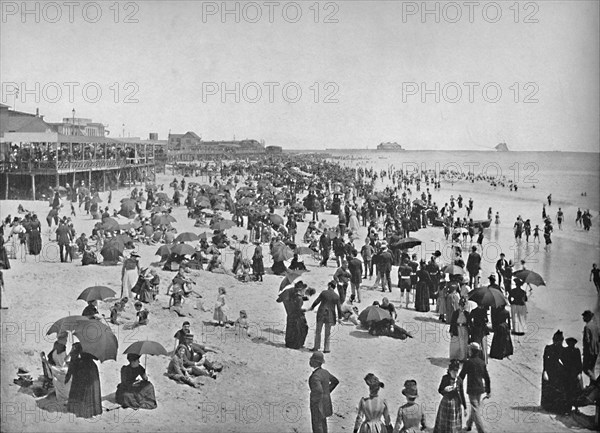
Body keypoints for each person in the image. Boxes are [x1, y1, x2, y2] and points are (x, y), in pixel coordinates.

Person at [459, 343, 491, 433]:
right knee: (474, 408)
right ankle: (469, 425)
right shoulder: (482, 362)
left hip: (472, 389)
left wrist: (455, 382)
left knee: (475, 409)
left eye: (469, 350)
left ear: (472, 351)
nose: (468, 351)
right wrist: (488, 390)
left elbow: (461, 376)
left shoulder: (468, 362)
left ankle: (481, 431)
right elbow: (487, 378)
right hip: (480, 389)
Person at [65, 342, 102, 418]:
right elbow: (97, 357)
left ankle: (80, 408)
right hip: (90, 368)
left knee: (83, 389)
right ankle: (91, 409)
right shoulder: (91, 346)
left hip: (82, 368)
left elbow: (72, 361)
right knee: (89, 390)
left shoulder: (77, 345)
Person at [308, 351, 339, 433]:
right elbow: (335, 381)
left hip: (317, 404)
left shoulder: (315, 376)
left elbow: (318, 390)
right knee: (323, 424)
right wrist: (327, 392)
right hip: (325, 402)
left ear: (315, 362)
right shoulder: (325, 372)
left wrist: (314, 400)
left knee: (317, 426)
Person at [433, 360, 467, 433]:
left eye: (457, 371)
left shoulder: (459, 380)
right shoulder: (445, 378)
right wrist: (445, 390)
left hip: (455, 404)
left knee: (454, 421)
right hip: (446, 402)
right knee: (444, 420)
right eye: (454, 371)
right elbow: (440, 390)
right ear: (450, 371)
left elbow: (461, 393)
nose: (455, 373)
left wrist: (465, 407)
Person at [310, 281, 343, 353]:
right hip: (330, 315)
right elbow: (339, 308)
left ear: (330, 286)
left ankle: (316, 347)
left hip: (321, 313)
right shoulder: (336, 296)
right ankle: (326, 348)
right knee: (327, 333)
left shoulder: (324, 293)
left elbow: (317, 301)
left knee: (318, 331)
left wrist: (312, 307)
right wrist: (340, 318)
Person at [541, 330, 569, 413]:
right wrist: (545, 371)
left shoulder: (564, 350)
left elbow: (566, 363)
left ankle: (559, 407)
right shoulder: (548, 348)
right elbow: (545, 361)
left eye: (560, 341)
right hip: (550, 371)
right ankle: (549, 406)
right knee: (549, 389)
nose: (558, 343)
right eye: (556, 341)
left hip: (559, 373)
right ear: (553, 340)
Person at [277, 281, 310, 349]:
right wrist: (306, 310)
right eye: (304, 290)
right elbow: (298, 309)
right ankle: (296, 344)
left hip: (291, 314)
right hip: (296, 316)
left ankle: (289, 343)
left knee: (291, 329)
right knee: (301, 329)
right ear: (301, 290)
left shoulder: (292, 293)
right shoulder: (298, 298)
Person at [47, 331, 71, 406]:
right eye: (65, 339)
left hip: (54, 368)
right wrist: (70, 363)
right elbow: (62, 364)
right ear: (61, 339)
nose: (66, 341)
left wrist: (69, 354)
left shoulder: (56, 345)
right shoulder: (61, 350)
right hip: (59, 371)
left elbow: (63, 360)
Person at [563, 337, 583, 412]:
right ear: (568, 343)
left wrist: (579, 373)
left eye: (573, 343)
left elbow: (579, 363)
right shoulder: (565, 350)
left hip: (575, 374)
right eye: (570, 343)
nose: (572, 344)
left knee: (576, 392)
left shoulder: (577, 351)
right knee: (568, 391)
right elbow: (562, 359)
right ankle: (568, 408)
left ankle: (576, 408)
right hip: (567, 374)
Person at [583, 310, 600, 381]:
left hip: (589, 351)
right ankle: (592, 384)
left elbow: (587, 340)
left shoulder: (587, 327)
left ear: (587, 317)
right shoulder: (596, 326)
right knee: (592, 368)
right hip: (596, 350)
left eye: (584, 316)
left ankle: (595, 383)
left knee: (586, 369)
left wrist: (585, 351)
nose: (583, 318)